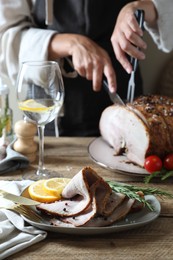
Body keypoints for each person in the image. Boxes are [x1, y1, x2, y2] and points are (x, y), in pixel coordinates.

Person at [0, 0, 172, 136]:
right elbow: (5, 37)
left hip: (124, 96)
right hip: (48, 110)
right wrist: (70, 43)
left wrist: (139, 7)